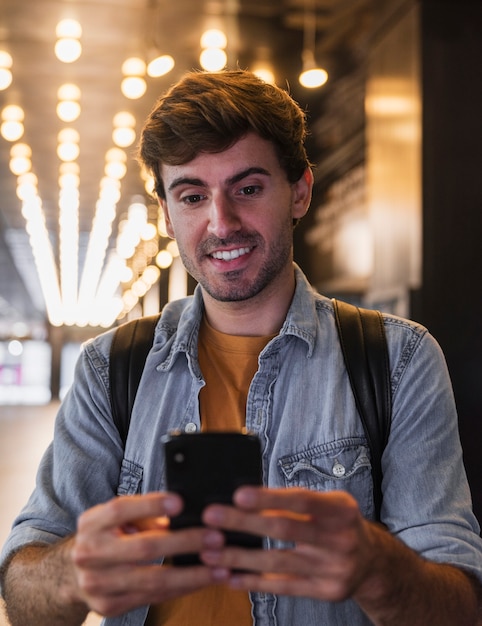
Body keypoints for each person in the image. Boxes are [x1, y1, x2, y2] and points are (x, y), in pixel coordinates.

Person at [1, 69, 481, 626]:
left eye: (247, 189)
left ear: (299, 192)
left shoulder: (398, 362)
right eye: (192, 195)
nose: (220, 222)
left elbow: (460, 607)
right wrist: (69, 574)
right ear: (166, 213)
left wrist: (377, 568)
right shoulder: (111, 367)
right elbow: (24, 593)